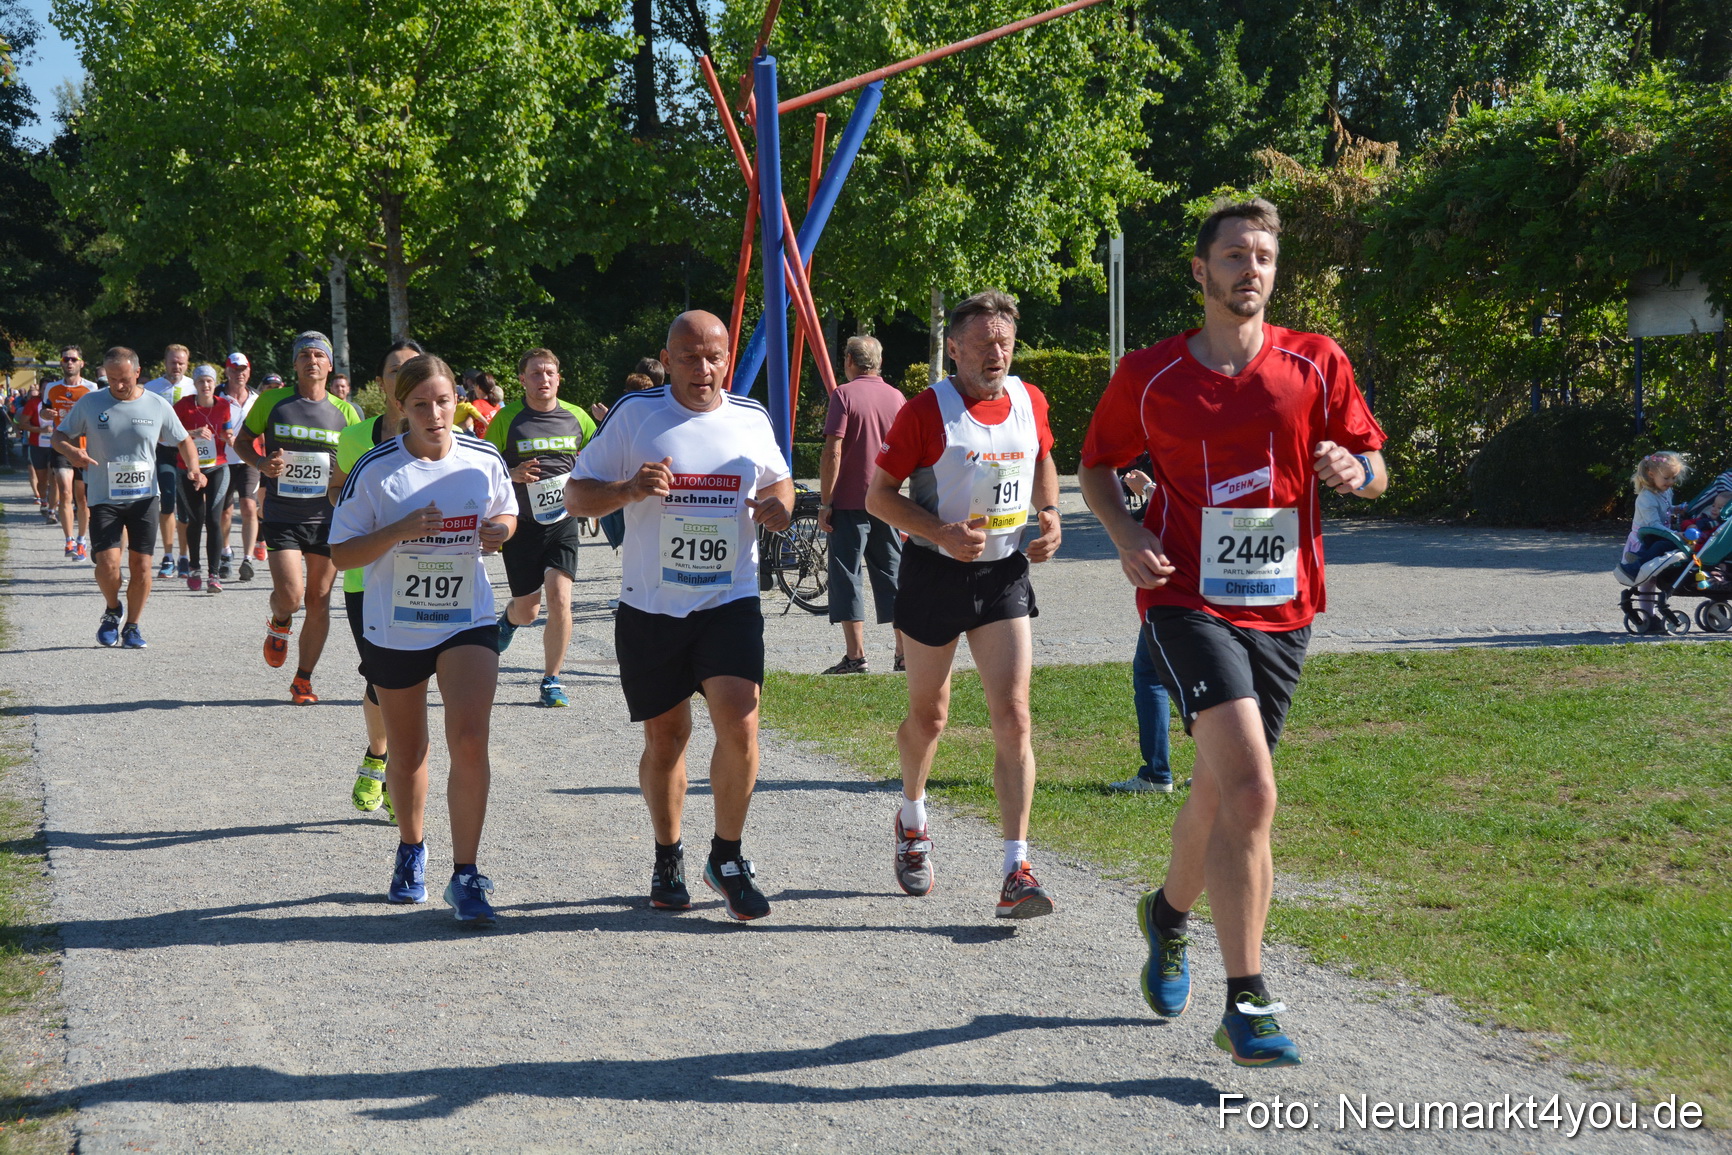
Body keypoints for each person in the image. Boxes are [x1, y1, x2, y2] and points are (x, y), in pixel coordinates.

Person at [1077, 197, 1388, 1069]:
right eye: (1235, 256)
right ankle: (1248, 1000)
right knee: (1252, 790)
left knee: (1220, 791)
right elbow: (1096, 466)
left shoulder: (1315, 363)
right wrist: (1129, 535)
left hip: (1285, 606)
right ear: (1200, 271)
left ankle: (1168, 916)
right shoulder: (1149, 376)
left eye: (1264, 257)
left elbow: (1374, 463)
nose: (1251, 270)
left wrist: (1352, 470)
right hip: (1185, 599)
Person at [567, 311, 792, 921]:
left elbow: (781, 482)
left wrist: (778, 506)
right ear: (667, 360)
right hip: (652, 608)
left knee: (741, 726)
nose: (704, 369)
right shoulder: (635, 417)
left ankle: (728, 855)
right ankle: (668, 854)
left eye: (714, 356)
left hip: (729, 600)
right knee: (667, 740)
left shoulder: (750, 418)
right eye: (689, 357)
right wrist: (626, 492)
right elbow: (575, 493)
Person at [866, 290, 1064, 918]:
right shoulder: (927, 412)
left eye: (1004, 342)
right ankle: (913, 817)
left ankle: (1016, 868)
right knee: (930, 716)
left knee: (1015, 717)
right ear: (955, 349)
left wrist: (1051, 512)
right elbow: (878, 497)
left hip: (1003, 574)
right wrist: (938, 532)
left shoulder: (1029, 401)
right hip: (934, 573)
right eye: (982, 344)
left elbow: (1044, 459)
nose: (995, 353)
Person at [330, 353, 515, 925]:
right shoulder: (377, 469)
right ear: (400, 407)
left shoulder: (483, 457)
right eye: (420, 405)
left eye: (443, 401)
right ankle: (411, 850)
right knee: (409, 751)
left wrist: (498, 533)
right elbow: (341, 553)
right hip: (396, 626)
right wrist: (399, 530)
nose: (435, 414)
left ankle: (466, 875)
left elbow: (508, 516)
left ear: (456, 398)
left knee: (468, 738)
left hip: (468, 619)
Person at [233, 331, 363, 705]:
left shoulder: (347, 412)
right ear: (295, 364)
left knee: (320, 600)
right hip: (284, 514)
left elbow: (359, 462)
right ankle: (281, 619)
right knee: (292, 597)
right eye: (304, 355)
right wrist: (261, 463)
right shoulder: (272, 402)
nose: (312, 361)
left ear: (330, 364)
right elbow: (241, 441)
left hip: (328, 518)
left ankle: (303, 679)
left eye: (319, 355)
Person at [328, 337, 425, 818]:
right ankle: (379, 756)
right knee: (380, 679)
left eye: (412, 368)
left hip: (428, 576)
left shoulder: (441, 435)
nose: (402, 376)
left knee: (414, 683)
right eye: (393, 370)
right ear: (382, 382)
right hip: (366, 579)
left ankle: (394, 771)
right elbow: (334, 496)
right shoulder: (353, 438)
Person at [52, 347, 206, 648]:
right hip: (103, 497)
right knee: (108, 565)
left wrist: (195, 469)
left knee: (142, 566)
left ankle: (133, 626)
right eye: (111, 379)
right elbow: (60, 435)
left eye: (123, 379)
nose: (117, 385)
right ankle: (112, 609)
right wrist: (71, 451)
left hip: (144, 497)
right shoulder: (90, 402)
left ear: (137, 372)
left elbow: (184, 439)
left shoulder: (156, 404)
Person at [485, 348, 596, 708]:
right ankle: (509, 621)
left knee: (560, 597)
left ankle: (552, 679)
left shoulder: (577, 417)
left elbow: (603, 454)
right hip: (522, 524)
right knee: (528, 610)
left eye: (549, 372)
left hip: (563, 522)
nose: (543, 379)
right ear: (522, 379)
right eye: (535, 373)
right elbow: (484, 463)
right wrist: (511, 473)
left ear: (559, 378)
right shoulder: (507, 418)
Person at [818, 335, 906, 675]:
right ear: (879, 362)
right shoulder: (897, 397)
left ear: (850, 362)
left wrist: (826, 501)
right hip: (887, 500)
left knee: (846, 574)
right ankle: (903, 654)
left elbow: (833, 450)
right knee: (893, 575)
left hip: (850, 502)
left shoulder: (843, 394)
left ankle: (855, 657)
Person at [1109, 467, 1177, 794]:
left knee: (1151, 674)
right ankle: (1223, 770)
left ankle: (1156, 773)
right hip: (1225, 587)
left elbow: (1181, 509)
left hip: (1178, 586)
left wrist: (1146, 486)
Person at [172, 365, 235, 592]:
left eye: (209, 381)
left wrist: (229, 437)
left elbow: (226, 431)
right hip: (188, 469)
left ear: (214, 383)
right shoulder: (183, 407)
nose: (206, 385)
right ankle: (195, 567)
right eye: (201, 382)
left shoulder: (224, 405)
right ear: (195, 384)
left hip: (217, 467)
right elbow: (168, 435)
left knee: (214, 519)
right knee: (195, 519)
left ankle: (214, 574)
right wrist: (193, 433)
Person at [1614, 451, 1689, 624]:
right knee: (1648, 578)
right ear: (1651, 474)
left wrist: (1677, 509)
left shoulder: (1665, 491)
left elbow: (1666, 509)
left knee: (1653, 577)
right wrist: (1675, 534)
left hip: (1658, 537)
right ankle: (1636, 566)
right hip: (1645, 540)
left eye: (1674, 478)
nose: (1670, 483)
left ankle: (1650, 615)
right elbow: (1653, 524)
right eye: (1667, 478)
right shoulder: (1646, 498)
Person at [142, 344, 197, 579]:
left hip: (189, 452)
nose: (177, 367)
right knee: (167, 501)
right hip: (163, 451)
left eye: (181, 363)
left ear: (187, 364)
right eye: (173, 362)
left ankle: (184, 556)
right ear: (165, 362)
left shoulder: (194, 386)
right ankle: (167, 555)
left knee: (185, 509)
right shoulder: (151, 388)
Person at [42, 346, 94, 561]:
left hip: (84, 447)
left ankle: (82, 540)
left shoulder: (92, 388)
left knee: (82, 499)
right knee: (65, 492)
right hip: (61, 445)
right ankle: (69, 540)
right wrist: (46, 413)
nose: (70, 363)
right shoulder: (52, 388)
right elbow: (44, 413)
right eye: (66, 359)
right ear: (61, 362)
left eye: (74, 359)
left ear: (82, 362)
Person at [218, 351, 261, 581]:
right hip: (222, 460)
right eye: (234, 369)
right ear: (227, 371)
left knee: (248, 506)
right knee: (224, 512)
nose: (239, 374)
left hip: (249, 459)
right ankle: (226, 553)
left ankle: (248, 558)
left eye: (243, 369)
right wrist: (221, 435)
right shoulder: (217, 395)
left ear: (249, 371)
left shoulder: (257, 397)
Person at [18, 384, 55, 523]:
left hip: (56, 447)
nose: (47, 391)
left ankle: (52, 509)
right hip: (37, 446)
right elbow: (22, 424)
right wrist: (41, 430)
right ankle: (43, 500)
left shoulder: (59, 400)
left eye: (49, 388)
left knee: (55, 478)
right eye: (44, 388)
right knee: (42, 479)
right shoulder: (33, 403)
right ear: (40, 390)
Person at [455, 370, 499, 437]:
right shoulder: (496, 405)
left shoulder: (477, 404)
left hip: (483, 443)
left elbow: (466, 424)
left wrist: (451, 428)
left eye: (475, 386)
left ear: (478, 387)